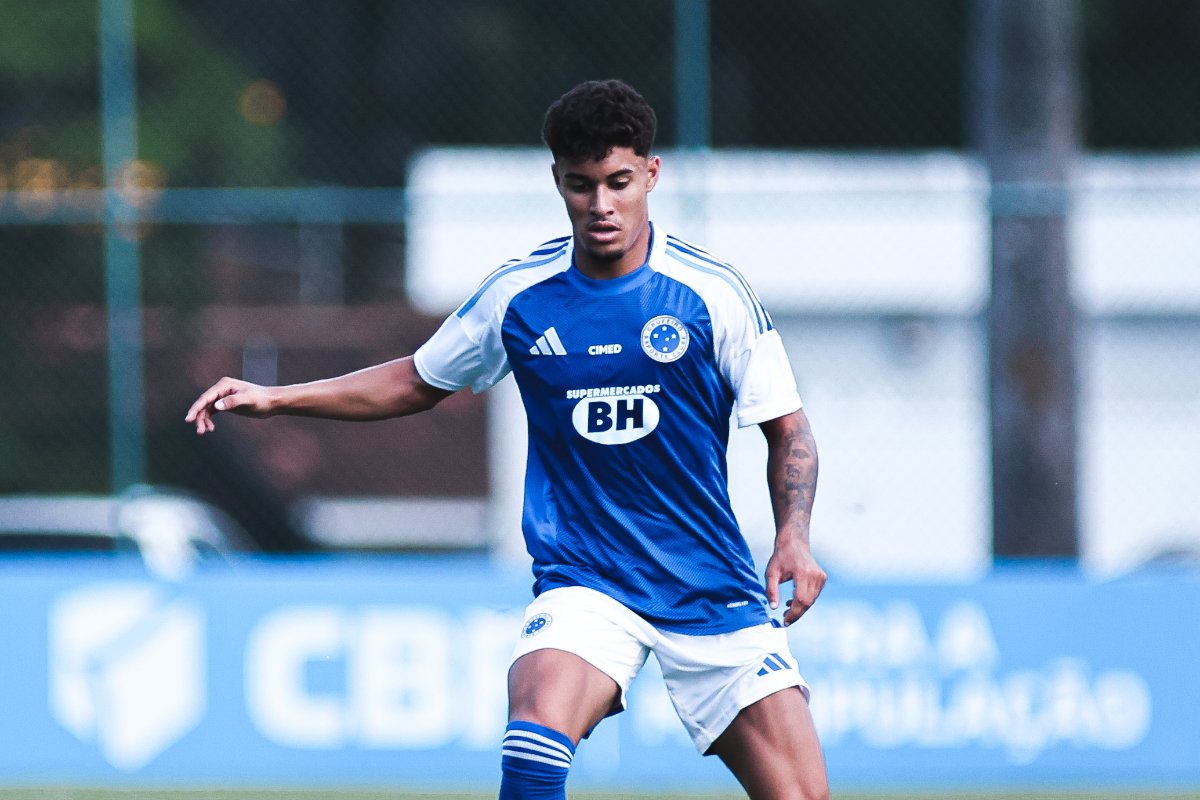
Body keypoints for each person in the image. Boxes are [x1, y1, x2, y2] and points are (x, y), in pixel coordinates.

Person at [186, 78, 829, 800]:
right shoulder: (519, 296)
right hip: (590, 582)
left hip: (710, 588)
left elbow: (788, 428)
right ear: (557, 181)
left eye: (619, 182)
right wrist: (277, 398)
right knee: (533, 733)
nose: (601, 205)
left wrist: (793, 537)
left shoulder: (712, 293)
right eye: (581, 186)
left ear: (651, 174)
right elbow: (416, 379)